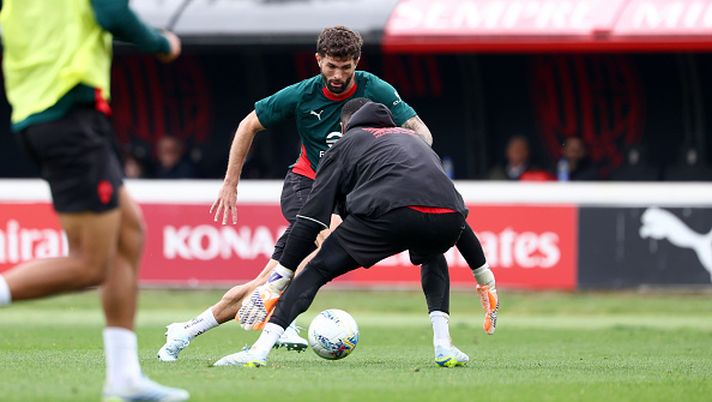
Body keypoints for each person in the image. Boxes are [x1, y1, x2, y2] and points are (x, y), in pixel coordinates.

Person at [157, 25, 448, 362]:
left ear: (357, 61)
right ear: (318, 60)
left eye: (345, 67)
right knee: (329, 242)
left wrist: (412, 160)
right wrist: (230, 183)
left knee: (270, 277)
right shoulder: (302, 94)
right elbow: (247, 125)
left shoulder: (376, 89)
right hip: (307, 187)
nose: (337, 75)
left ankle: (189, 328)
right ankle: (277, 302)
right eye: (330, 66)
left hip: (345, 195)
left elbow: (420, 132)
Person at [213, 99, 499, 368]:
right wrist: (485, 278)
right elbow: (453, 213)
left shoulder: (347, 141)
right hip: (448, 219)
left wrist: (279, 279)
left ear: (343, 127)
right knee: (433, 253)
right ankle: (443, 346)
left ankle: (258, 351)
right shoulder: (416, 142)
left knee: (316, 270)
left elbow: (311, 218)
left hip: (389, 214)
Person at [0, 1, 188, 401]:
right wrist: (161, 43)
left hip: (46, 113)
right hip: (69, 115)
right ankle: (122, 379)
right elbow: (112, 13)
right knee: (88, 265)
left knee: (128, 232)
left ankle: (124, 378)